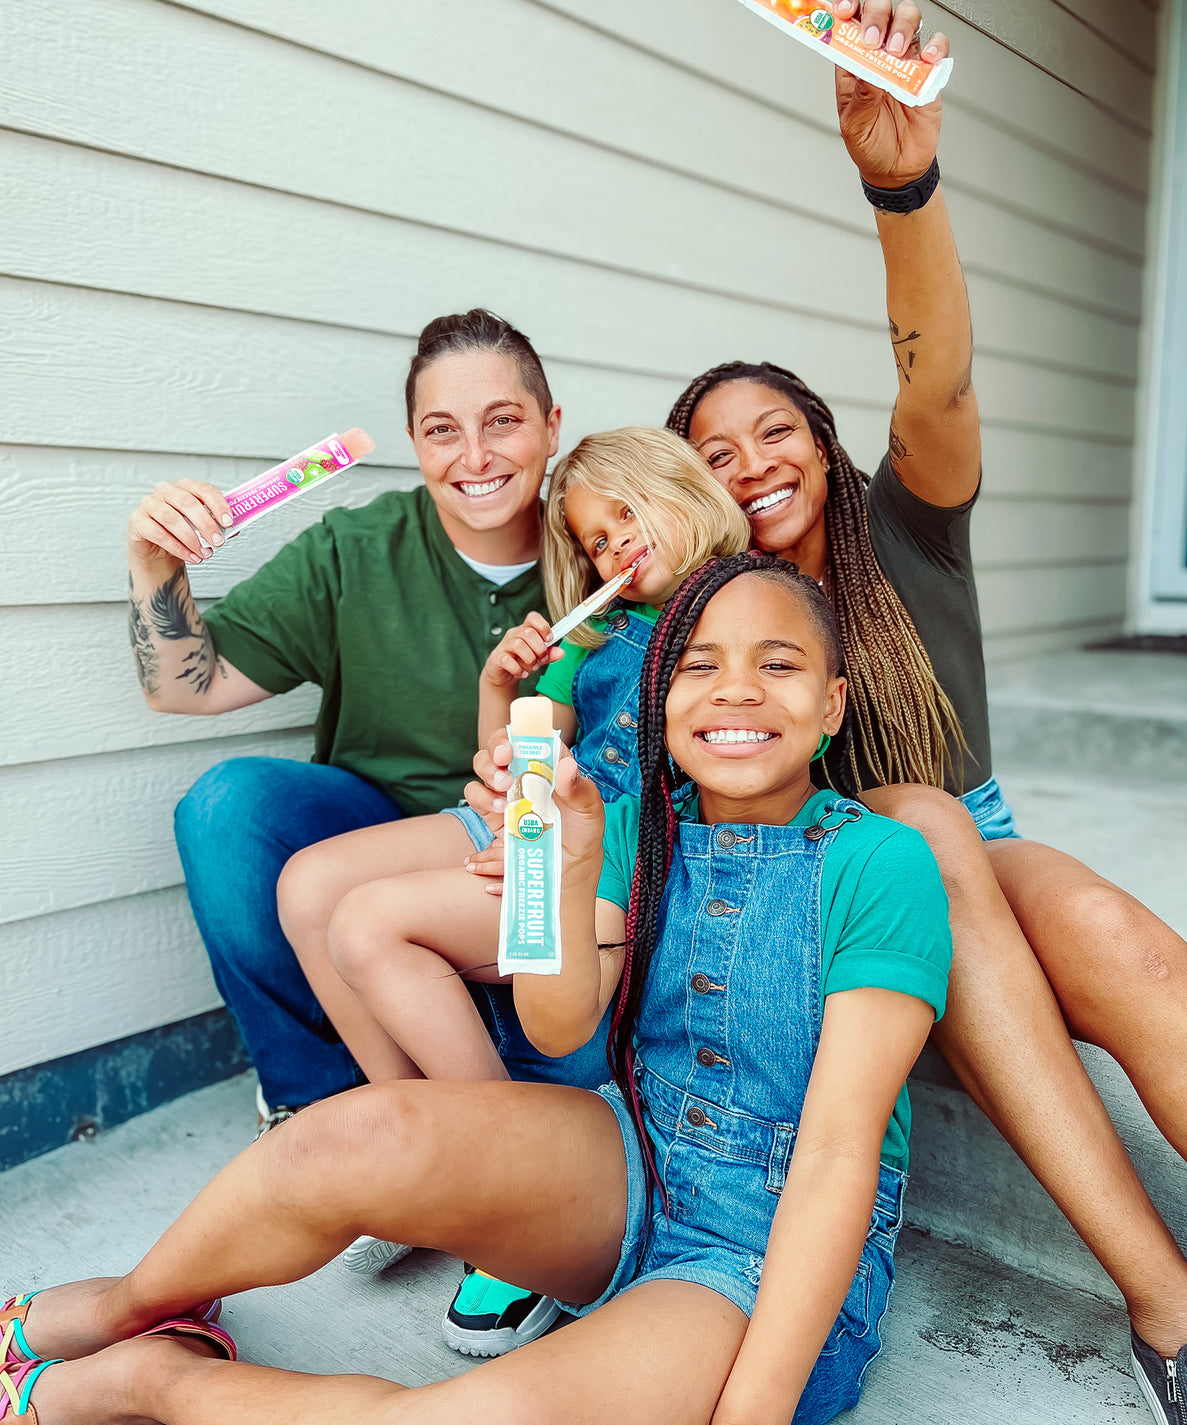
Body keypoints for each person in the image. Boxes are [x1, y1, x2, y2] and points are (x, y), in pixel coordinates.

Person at [1, 553, 954, 1425]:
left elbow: (836, 1153)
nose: (736, 687)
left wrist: (754, 1409)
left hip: (769, 1246)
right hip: (635, 1151)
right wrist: (567, 872)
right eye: (699, 665)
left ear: (832, 704)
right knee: (350, 1133)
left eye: (777, 664)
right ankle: (131, 1309)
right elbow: (555, 1020)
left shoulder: (879, 862)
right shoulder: (634, 828)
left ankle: (150, 1382)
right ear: (662, 701)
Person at [662, 0, 1187, 1410]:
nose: (751, 459)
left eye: (774, 428)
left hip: (974, 840)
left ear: (820, 447)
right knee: (907, 824)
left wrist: (898, 180)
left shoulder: (905, 528)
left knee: (1134, 956)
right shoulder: (705, 623)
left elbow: (933, 373)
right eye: (713, 451)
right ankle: (1168, 1302)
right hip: (823, 890)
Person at [125, 308, 612, 1353]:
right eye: (442, 431)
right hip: (384, 822)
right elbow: (185, 685)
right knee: (229, 810)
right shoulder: (355, 547)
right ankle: (329, 1108)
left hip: (530, 837)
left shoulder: (597, 547)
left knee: (364, 897)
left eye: (502, 423)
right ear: (412, 442)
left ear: (550, 423)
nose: (475, 457)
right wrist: (154, 560)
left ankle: (477, 1161)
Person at [276, 426, 747, 1345]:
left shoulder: (734, 611)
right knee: (307, 886)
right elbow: (515, 753)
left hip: (611, 855)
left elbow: (694, 788)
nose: (615, 547)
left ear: (682, 488)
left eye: (624, 516)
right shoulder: (605, 634)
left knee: (372, 921)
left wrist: (549, 850)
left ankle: (502, 1188)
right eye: (595, 541)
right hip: (533, 817)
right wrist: (503, 689)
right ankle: (424, 1152)